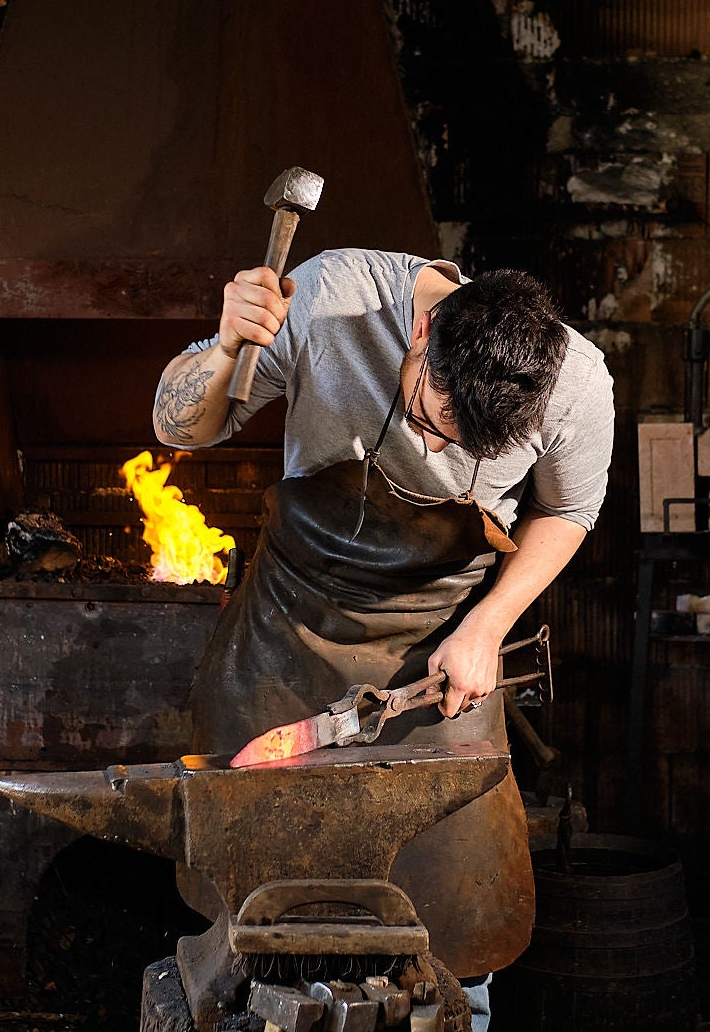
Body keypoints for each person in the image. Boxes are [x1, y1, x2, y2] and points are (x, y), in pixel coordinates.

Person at [151, 247, 615, 1011]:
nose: (432, 448)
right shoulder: (329, 301)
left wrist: (489, 625)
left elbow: (568, 508)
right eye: (429, 420)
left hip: (437, 656)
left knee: (453, 927)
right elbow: (179, 428)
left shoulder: (578, 385)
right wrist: (228, 345)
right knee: (266, 926)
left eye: (463, 445)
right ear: (423, 331)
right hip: (288, 640)